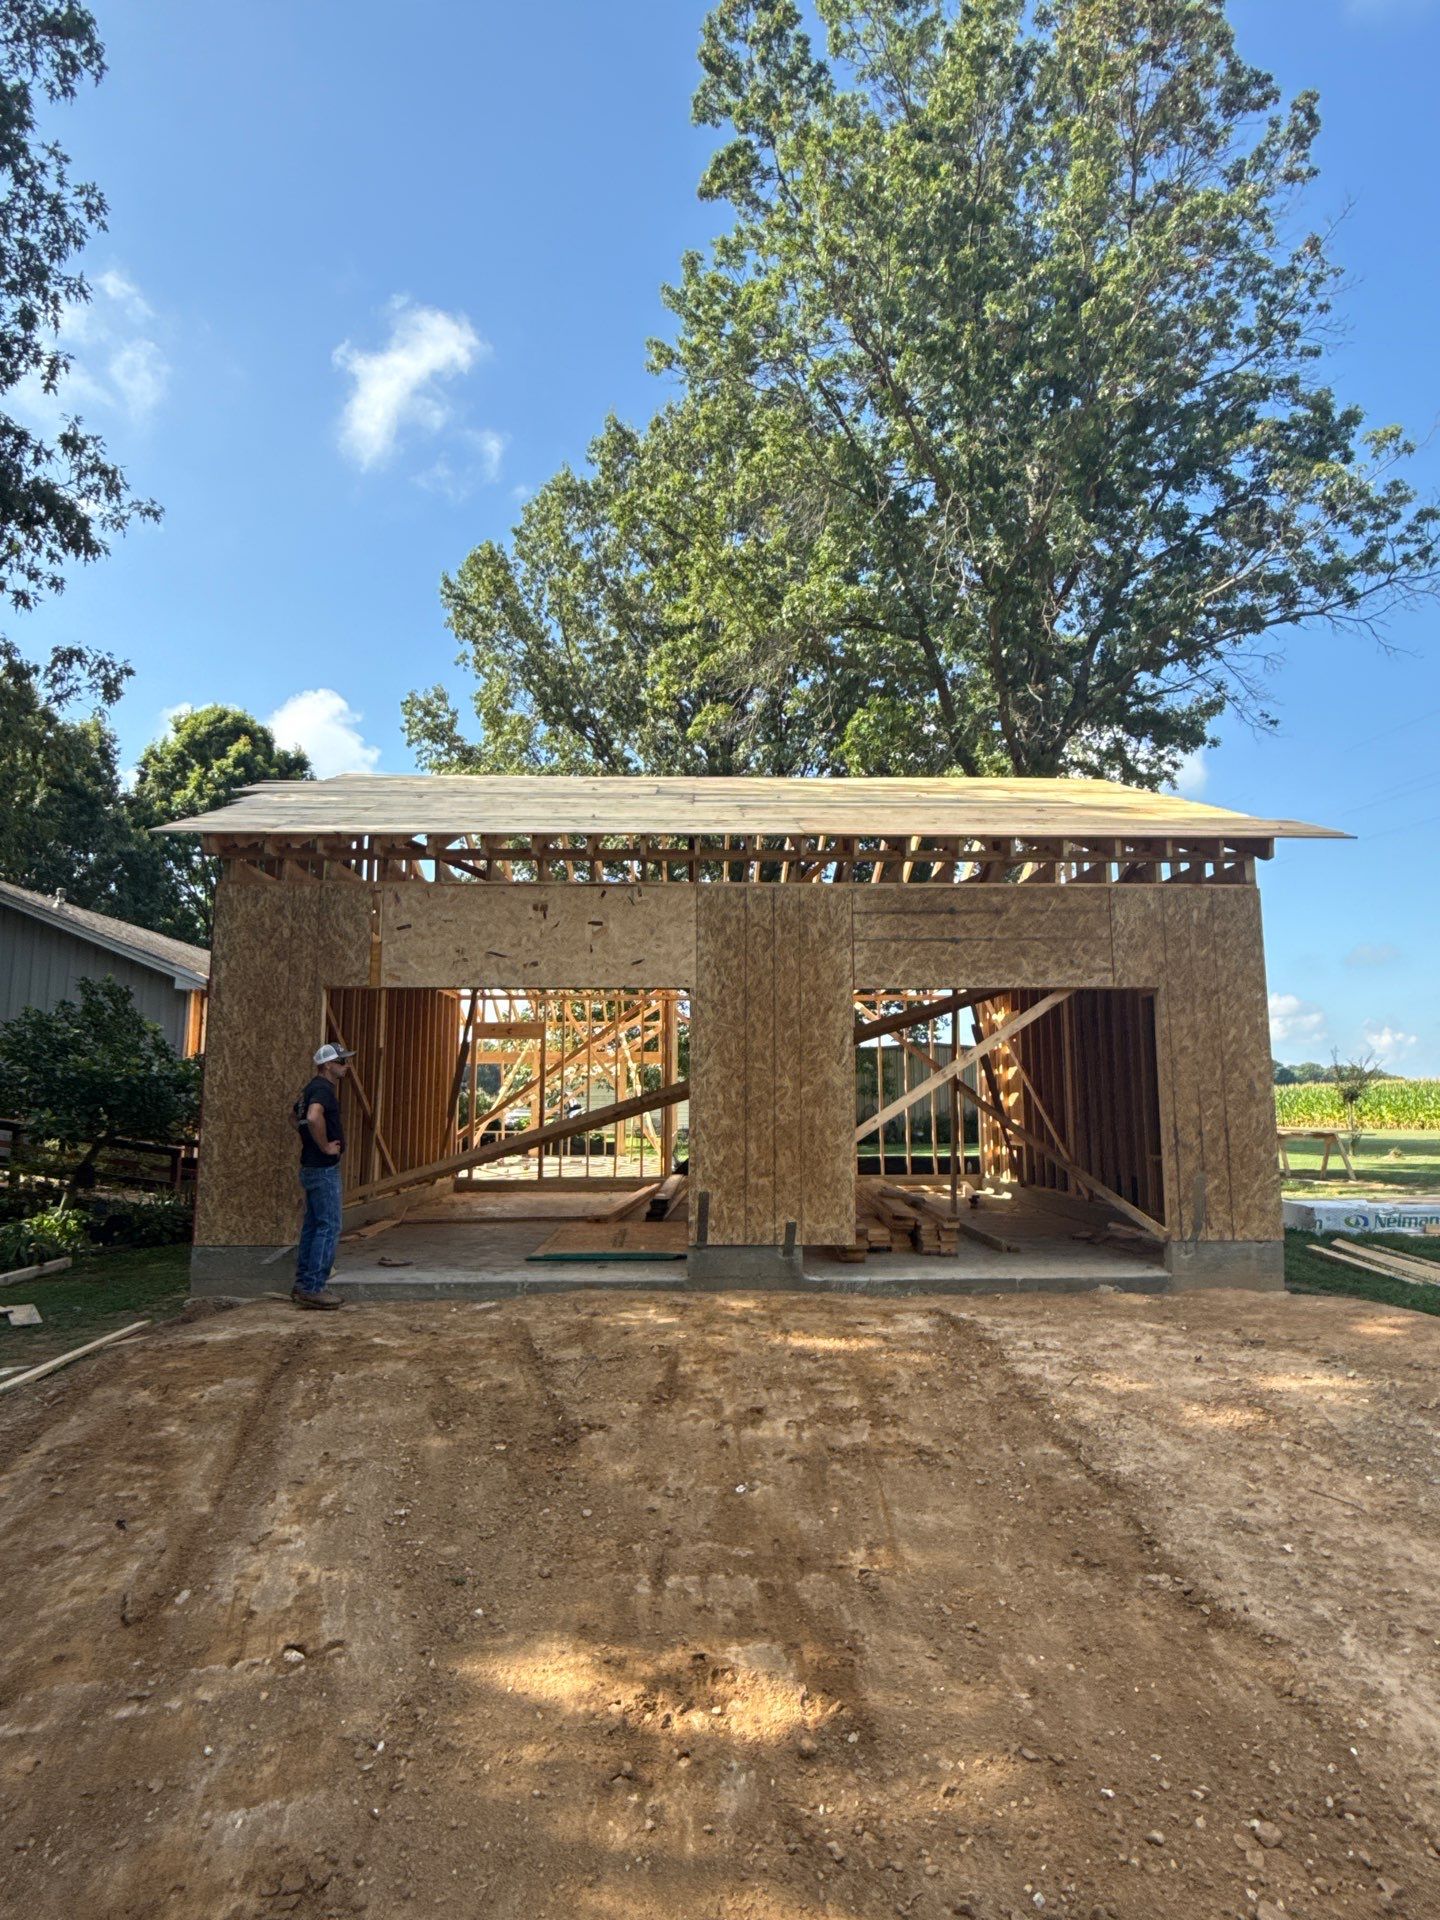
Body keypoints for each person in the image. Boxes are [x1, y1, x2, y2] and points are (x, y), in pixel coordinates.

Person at [292, 1041, 353, 1310]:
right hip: (323, 1169)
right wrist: (325, 1145)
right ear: (328, 1065)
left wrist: (307, 1138)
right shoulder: (323, 1090)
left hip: (310, 1166)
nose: (346, 1066)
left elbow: (294, 1117)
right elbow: (314, 1117)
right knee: (329, 1227)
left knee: (313, 1226)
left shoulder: (309, 1090)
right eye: (341, 1062)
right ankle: (315, 1288)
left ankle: (304, 1284)